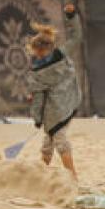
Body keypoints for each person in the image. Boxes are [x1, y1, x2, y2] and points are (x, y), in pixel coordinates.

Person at [26, 23, 82, 180]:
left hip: (56, 112)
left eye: (39, 53)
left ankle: (72, 178)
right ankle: (42, 173)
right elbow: (77, 37)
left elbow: (38, 97)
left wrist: (37, 119)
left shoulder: (37, 73)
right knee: (48, 141)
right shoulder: (62, 54)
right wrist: (72, 17)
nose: (39, 56)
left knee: (59, 140)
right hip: (70, 102)